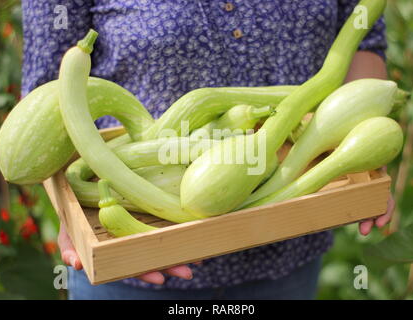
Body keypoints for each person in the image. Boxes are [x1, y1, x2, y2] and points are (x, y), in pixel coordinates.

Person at [21, 0, 394, 300]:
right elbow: (49, 99)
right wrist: (69, 213)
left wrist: (360, 150)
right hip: (130, 271)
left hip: (288, 247)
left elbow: (363, 41)